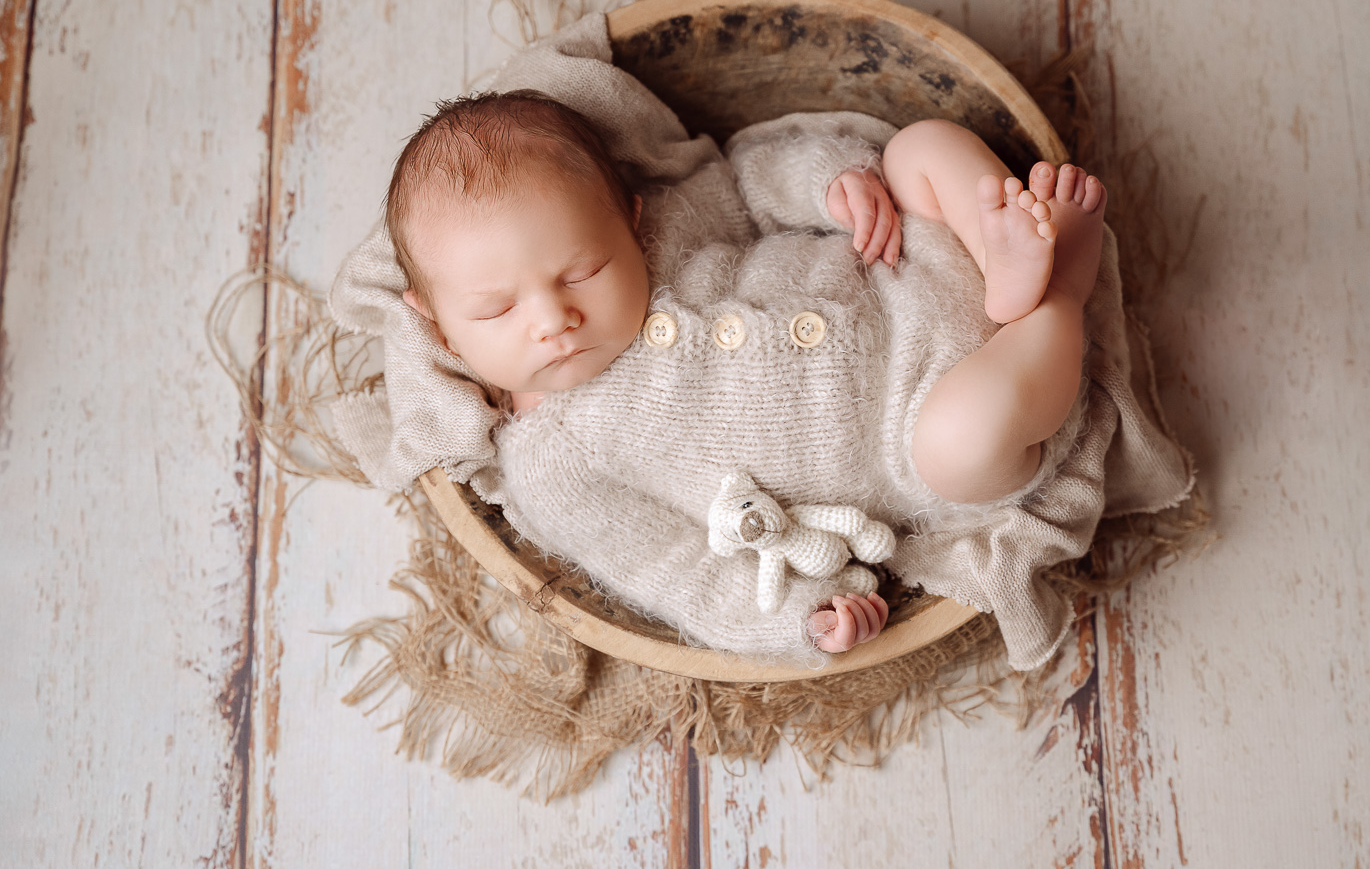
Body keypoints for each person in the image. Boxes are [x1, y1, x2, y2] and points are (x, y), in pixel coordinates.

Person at [383, 89, 1106, 657]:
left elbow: (746, 183)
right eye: (497, 309)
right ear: (437, 325)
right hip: (917, 433)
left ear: (627, 220)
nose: (553, 318)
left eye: (583, 271)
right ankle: (1061, 295)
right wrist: (799, 618)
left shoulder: (663, 230)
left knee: (921, 147)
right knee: (966, 438)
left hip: (904, 269)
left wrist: (833, 186)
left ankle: (1005, 260)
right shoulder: (550, 468)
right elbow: (673, 569)